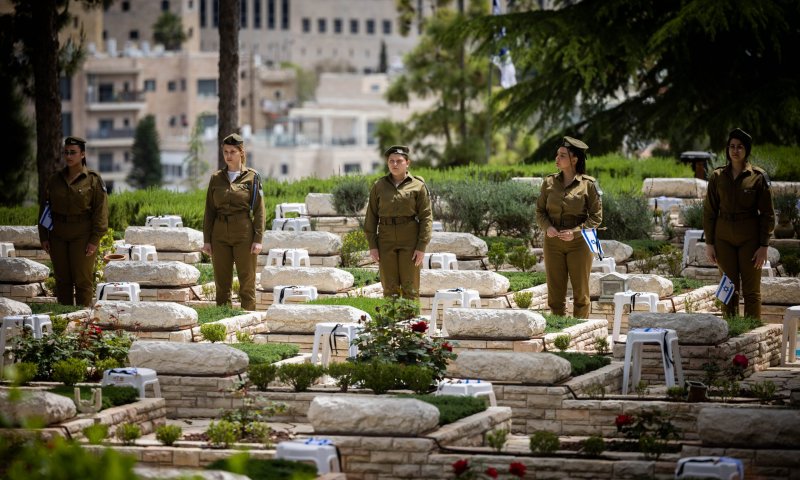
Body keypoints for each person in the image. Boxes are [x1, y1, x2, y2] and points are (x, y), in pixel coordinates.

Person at [703, 128, 774, 319]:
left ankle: (751, 333)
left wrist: (764, 245)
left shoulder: (758, 177)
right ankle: (730, 330)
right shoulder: (717, 177)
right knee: (728, 289)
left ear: (746, 150)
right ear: (727, 150)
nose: (735, 150)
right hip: (723, 238)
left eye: (740, 147)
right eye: (732, 146)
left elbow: (767, 214)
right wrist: (709, 244)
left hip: (749, 239)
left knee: (751, 291)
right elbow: (709, 211)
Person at [535, 136, 602, 319]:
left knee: (581, 293)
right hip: (553, 242)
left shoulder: (588, 184)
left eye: (562, 155)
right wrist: (547, 227)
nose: (557, 158)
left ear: (574, 159)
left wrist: (575, 232)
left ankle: (580, 330)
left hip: (580, 243)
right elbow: (540, 212)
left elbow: (596, 217)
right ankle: (558, 331)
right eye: (557, 154)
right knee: (555, 294)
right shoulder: (548, 182)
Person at [38, 136, 109, 306]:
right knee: (62, 281)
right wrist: (44, 236)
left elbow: (101, 211)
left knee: (83, 280)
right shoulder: (55, 180)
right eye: (66, 152)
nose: (69, 156)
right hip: (58, 235)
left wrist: (94, 239)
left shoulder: (93, 179)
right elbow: (44, 209)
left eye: (73, 153)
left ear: (82, 154)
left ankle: (83, 323)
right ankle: (66, 318)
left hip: (82, 235)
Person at [202, 133, 265, 311]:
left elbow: (260, 210)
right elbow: (209, 210)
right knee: (222, 284)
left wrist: (258, 239)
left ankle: (249, 321)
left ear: (241, 152)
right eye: (225, 152)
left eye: (232, 151)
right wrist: (207, 239)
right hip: (219, 234)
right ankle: (223, 320)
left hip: (244, 232)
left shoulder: (252, 177)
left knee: (247, 282)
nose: (228, 156)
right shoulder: (216, 178)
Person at [364, 145, 433, 299]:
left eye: (399, 161)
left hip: (409, 239)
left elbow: (426, 217)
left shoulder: (418, 185)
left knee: (411, 288)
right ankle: (392, 322)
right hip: (385, 239)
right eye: (391, 161)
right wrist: (373, 246)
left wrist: (421, 246)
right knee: (389, 288)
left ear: (407, 163)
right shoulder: (379, 186)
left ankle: (412, 323)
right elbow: (371, 217)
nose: (394, 164)